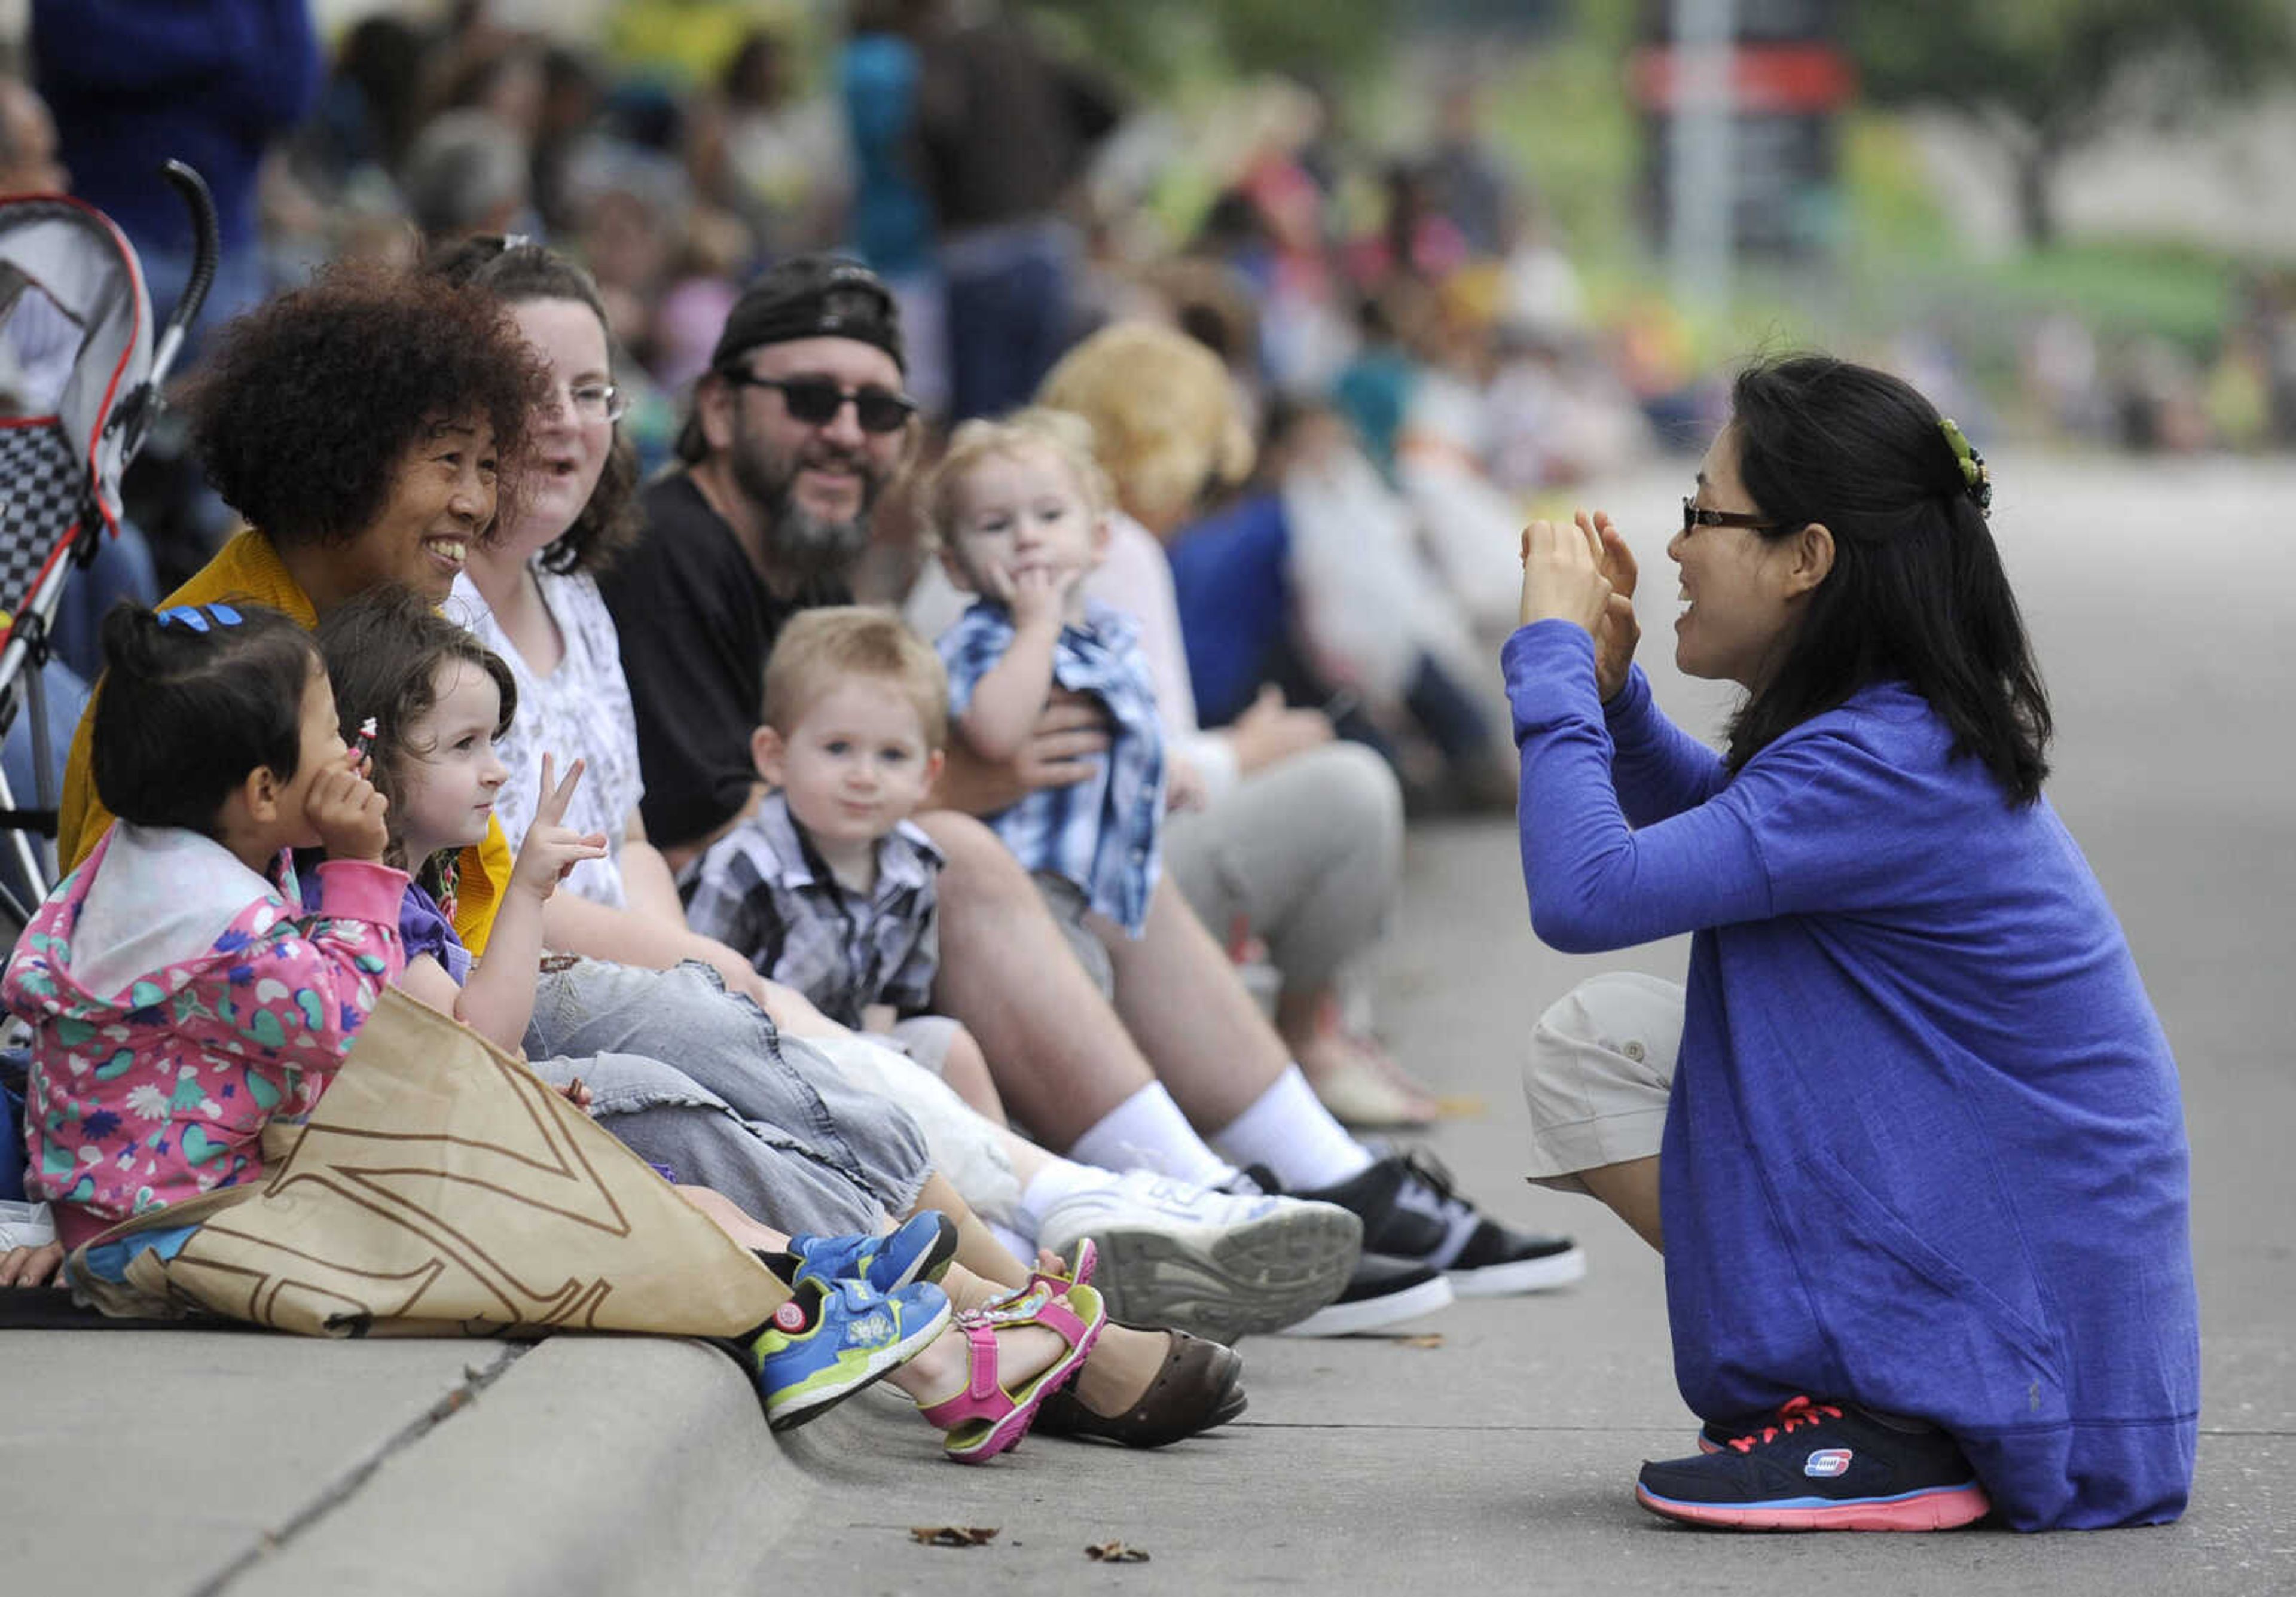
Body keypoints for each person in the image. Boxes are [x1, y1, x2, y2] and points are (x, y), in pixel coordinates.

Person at [606, 252, 1581, 1333]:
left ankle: (1311, 1177)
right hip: (738, 964)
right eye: (810, 399)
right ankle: (1206, 1200)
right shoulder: (674, 553)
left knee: (1127, 849)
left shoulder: (806, 557)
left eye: (878, 405)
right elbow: (704, 834)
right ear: (717, 405)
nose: (847, 429)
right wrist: (966, 783)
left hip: (887, 936)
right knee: (980, 853)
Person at [436, 237, 1253, 1432]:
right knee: (708, 1054)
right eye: (528, 391)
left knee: (771, 1030)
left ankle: (1054, 1267)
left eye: (595, 390)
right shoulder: (439, 606)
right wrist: (700, 966)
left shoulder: (573, 593)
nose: (565, 420)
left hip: (651, 954)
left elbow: (634, 836)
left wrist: (690, 959)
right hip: (518, 980)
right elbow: (480, 878)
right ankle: (1032, 1288)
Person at [1509, 355, 2197, 1531]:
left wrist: (1552, 660)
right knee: (1601, 1049)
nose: (1673, 547)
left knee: (1668, 1043)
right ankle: (1866, 1402)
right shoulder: (1884, 737)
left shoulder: (1880, 761)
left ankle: (1901, 1424)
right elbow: (1727, 831)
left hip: (2059, 1370)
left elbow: (1586, 891)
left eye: (1702, 512)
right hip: (2027, 1271)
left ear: (1806, 558)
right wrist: (1618, 701)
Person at [313, 584, 1108, 1458]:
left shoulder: (408, 884)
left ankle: (949, 1306)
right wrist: (531, 890)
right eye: (465, 745)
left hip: (467, 1148)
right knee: (665, 1125)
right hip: (425, 1175)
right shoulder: (356, 906)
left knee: (699, 1112)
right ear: (372, 757)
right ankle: (917, 1324)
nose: (497, 768)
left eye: (494, 740)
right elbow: (473, 1045)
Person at [682, 604, 1360, 1341]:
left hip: (859, 1048)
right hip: (776, 1067)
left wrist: (897, 1053)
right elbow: (708, 998)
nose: (863, 777)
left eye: (891, 757)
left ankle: (1009, 1222)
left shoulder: (911, 865)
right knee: (895, 1068)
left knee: (949, 1042)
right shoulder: (745, 865)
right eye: (838, 749)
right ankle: (1014, 1245)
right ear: (775, 756)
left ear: (929, 773)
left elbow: (890, 1002)